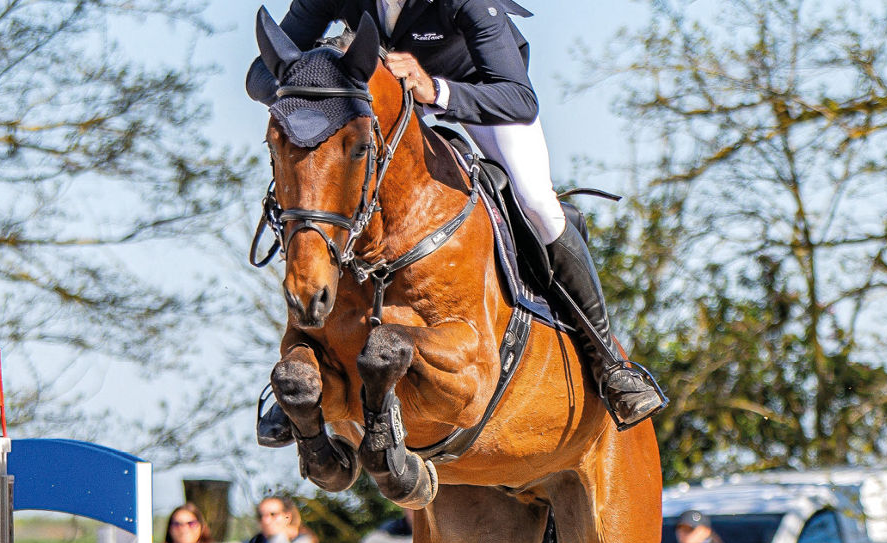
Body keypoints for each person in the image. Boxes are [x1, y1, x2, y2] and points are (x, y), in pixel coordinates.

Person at [246, 0, 665, 430]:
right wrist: (316, 74)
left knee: (537, 202)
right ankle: (312, 364)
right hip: (381, 103)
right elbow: (260, 75)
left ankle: (610, 364)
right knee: (333, 194)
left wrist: (437, 91)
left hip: (475, 93)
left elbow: (520, 100)